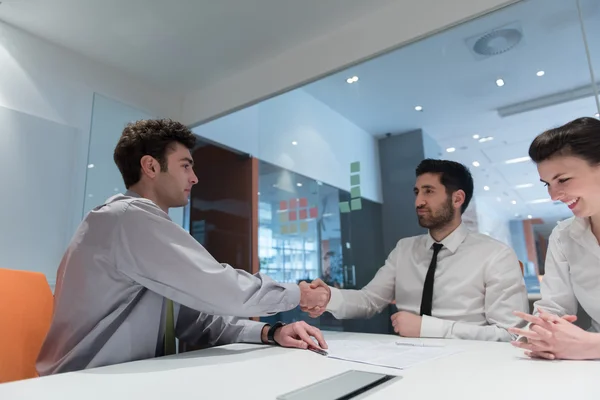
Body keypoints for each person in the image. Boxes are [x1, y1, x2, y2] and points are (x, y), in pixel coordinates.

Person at [37, 119, 328, 376]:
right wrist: (297, 293)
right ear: (151, 166)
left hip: (126, 380)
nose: (194, 178)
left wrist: (270, 332)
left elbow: (195, 322)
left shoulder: (138, 227)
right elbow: (220, 287)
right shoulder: (128, 219)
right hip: (80, 385)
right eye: (186, 166)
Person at [304, 159, 529, 341]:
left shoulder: (495, 255)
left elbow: (510, 333)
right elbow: (370, 300)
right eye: (416, 192)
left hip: (468, 366)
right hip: (406, 358)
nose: (418, 202)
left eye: (429, 191)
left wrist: (429, 328)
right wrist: (328, 298)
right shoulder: (404, 249)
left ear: (457, 198)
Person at [509, 117, 600, 360]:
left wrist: (592, 345)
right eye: (547, 184)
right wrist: (536, 333)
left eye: (563, 180)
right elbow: (553, 308)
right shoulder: (563, 236)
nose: (554, 195)